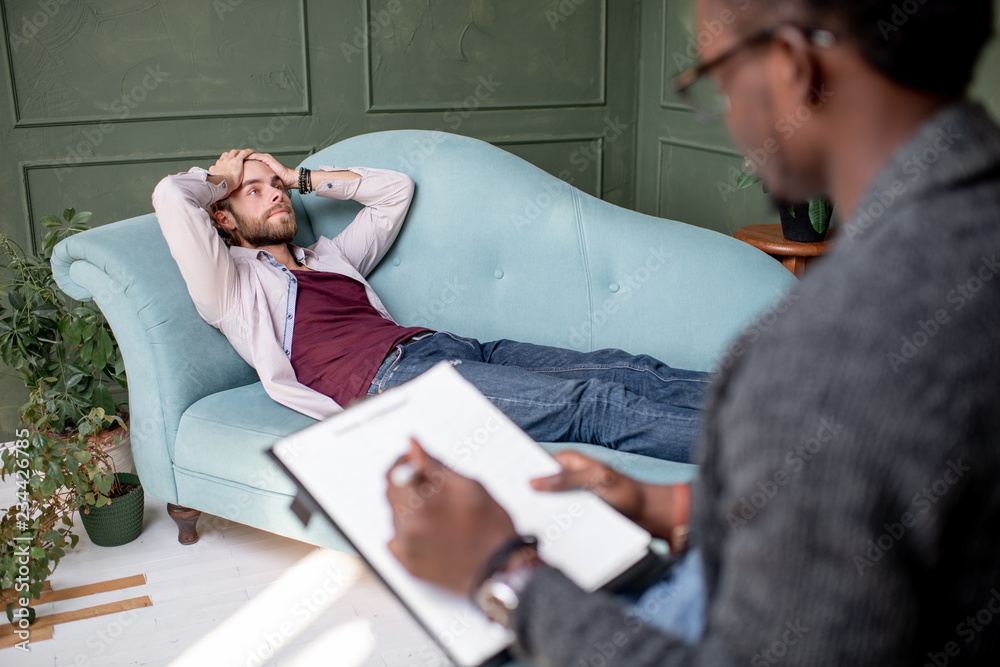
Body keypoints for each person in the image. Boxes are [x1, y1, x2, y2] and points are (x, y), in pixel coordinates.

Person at [385, 0, 1000, 664]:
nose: (730, 115)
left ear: (791, 68)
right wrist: (679, 504)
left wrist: (501, 571)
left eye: (719, 79)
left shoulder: (825, 357)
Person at [152, 151, 709, 462]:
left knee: (627, 367)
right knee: (593, 406)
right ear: (222, 219)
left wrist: (300, 175)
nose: (275, 194)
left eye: (276, 187)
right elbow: (170, 199)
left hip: (450, 347)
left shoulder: (330, 257)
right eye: (255, 192)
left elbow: (395, 190)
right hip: (399, 385)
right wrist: (220, 178)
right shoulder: (232, 291)